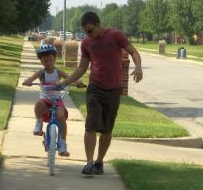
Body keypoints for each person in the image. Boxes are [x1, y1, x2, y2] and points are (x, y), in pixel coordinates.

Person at [59, 12, 143, 175]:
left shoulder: (115, 35)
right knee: (91, 125)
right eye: (85, 31)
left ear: (98, 25)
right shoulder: (86, 43)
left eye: (89, 30)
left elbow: (133, 52)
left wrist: (138, 67)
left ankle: (99, 162)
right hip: (95, 88)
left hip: (113, 89)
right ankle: (89, 163)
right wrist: (65, 82)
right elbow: (82, 67)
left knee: (106, 129)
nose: (87, 34)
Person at [22, 44, 82, 156]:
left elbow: (69, 78)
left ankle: (63, 144)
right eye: (45, 61)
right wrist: (28, 81)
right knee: (38, 105)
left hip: (57, 100)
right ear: (41, 62)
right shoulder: (41, 73)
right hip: (45, 100)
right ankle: (39, 123)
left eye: (50, 60)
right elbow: (31, 78)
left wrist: (77, 82)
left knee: (61, 117)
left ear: (54, 59)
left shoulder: (58, 72)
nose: (48, 63)